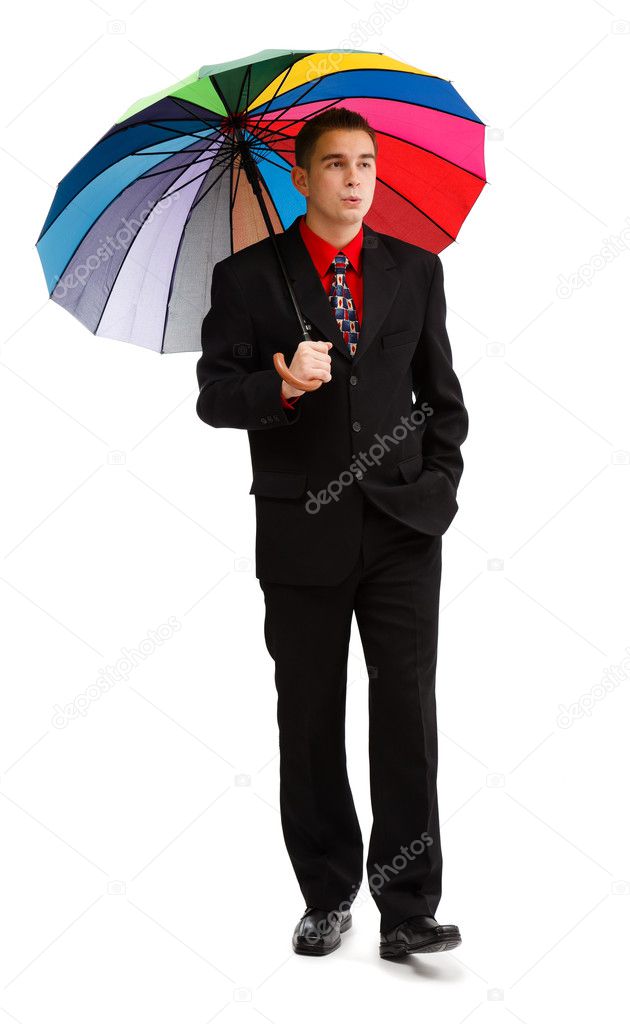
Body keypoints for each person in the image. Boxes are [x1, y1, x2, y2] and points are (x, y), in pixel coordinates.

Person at [195, 106, 469, 960]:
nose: (355, 178)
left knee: (406, 714)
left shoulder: (416, 269)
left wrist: (438, 488)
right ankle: (326, 892)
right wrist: (280, 389)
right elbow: (213, 397)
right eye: (337, 164)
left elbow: (442, 397)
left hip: (400, 529)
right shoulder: (247, 279)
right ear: (303, 177)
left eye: (366, 162)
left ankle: (408, 908)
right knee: (308, 718)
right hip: (301, 531)